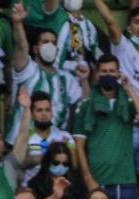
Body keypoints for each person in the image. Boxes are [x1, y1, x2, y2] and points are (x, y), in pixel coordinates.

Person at [94, 0, 139, 193]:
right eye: (137, 22)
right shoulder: (122, 47)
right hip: (126, 126)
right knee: (121, 178)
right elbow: (109, 21)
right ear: (129, 27)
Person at [73, 54, 139, 199]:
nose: (107, 75)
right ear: (97, 74)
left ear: (118, 73)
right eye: (103, 71)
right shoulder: (85, 106)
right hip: (97, 182)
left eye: (112, 71)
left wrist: (130, 89)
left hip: (126, 181)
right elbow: (79, 146)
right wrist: (88, 178)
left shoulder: (127, 103)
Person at [8, 4, 84, 145]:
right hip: (21, 146)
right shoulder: (28, 70)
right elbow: (20, 47)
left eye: (53, 43)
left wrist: (84, 80)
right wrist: (18, 24)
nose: (50, 45)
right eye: (45, 42)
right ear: (36, 49)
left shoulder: (66, 79)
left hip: (54, 149)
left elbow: (84, 104)